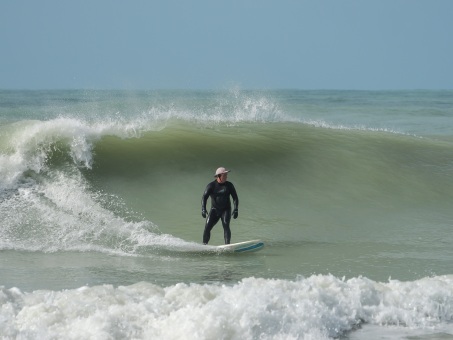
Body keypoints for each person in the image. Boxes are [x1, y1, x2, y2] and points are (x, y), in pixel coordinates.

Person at [201, 167, 239, 245]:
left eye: (226, 175)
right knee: (207, 228)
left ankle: (227, 245)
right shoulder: (211, 186)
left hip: (226, 209)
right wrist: (203, 209)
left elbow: (235, 198)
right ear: (219, 176)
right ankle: (204, 245)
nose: (226, 176)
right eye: (224, 175)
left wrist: (236, 209)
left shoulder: (229, 185)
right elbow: (204, 198)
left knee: (226, 225)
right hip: (214, 210)